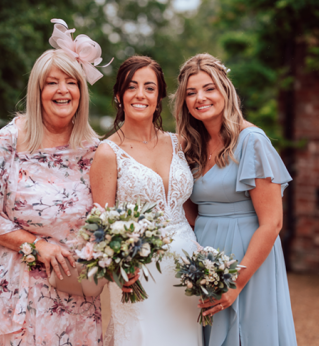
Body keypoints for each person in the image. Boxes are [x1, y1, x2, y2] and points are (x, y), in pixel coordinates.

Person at [0, 19, 108, 346]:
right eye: (52, 83)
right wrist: (36, 244)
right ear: (38, 91)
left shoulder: (95, 150)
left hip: (77, 291)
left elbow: (107, 215)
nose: (62, 90)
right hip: (22, 289)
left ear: (81, 92)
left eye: (71, 82)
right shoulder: (11, 139)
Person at [174, 52, 297, 346]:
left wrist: (236, 282)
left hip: (247, 258)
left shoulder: (252, 141)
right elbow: (189, 209)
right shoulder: (191, 146)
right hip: (205, 255)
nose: (200, 98)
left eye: (209, 88)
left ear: (225, 91)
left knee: (248, 335)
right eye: (191, 93)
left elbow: (273, 222)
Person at [90, 56, 202, 346]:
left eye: (149, 87)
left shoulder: (180, 143)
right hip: (138, 271)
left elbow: (188, 208)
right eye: (132, 87)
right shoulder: (107, 152)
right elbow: (100, 225)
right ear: (119, 95)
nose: (141, 95)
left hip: (185, 265)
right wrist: (119, 268)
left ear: (160, 95)